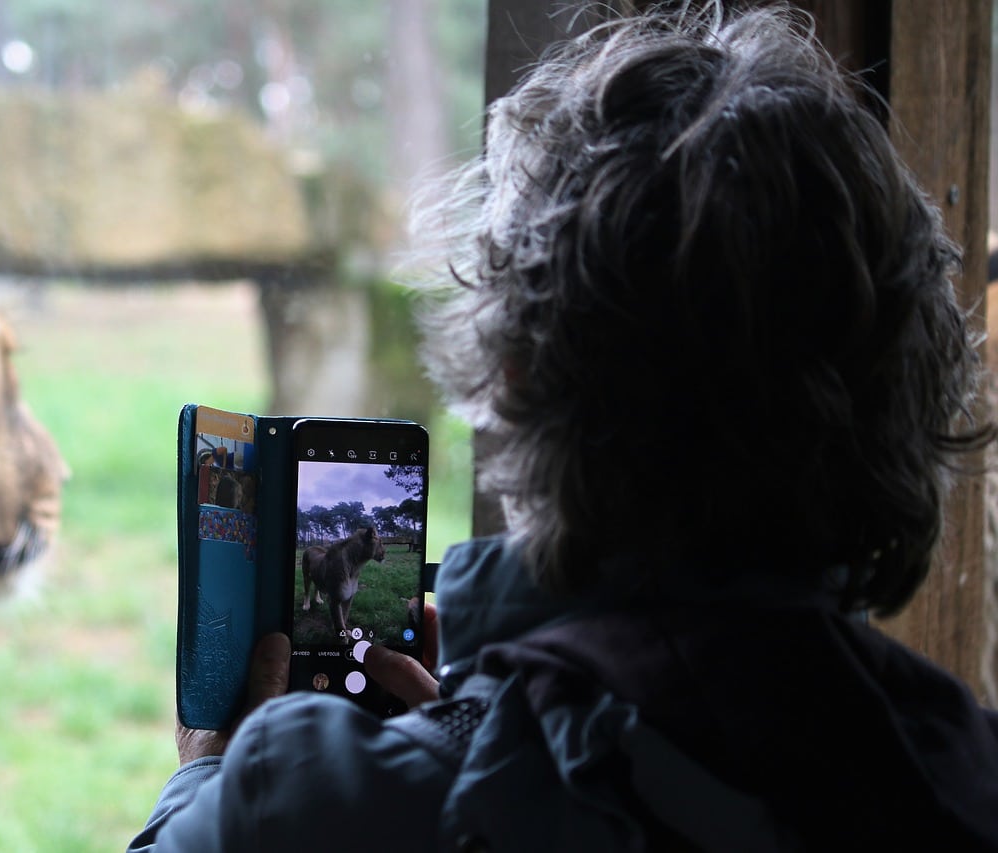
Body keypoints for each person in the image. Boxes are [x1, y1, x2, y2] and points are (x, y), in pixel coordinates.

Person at [129, 4, 998, 850]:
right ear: (908, 392)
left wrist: (215, 775)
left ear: (514, 371)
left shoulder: (305, 808)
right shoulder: (971, 772)